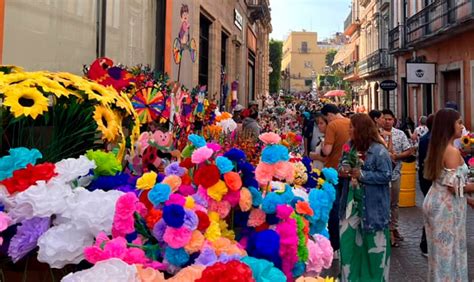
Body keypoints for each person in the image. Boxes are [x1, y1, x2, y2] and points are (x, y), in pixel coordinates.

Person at [338, 113, 392, 282]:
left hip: (372, 208)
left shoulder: (379, 151)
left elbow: (386, 175)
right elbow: (342, 163)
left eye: (352, 127)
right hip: (350, 205)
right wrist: (343, 169)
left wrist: (362, 174)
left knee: (374, 248)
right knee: (348, 245)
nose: (349, 130)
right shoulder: (349, 146)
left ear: (361, 129)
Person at [423, 108, 474, 281]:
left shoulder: (440, 146)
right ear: (448, 125)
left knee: (439, 254)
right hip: (446, 207)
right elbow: (455, 185)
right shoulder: (451, 150)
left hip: (438, 200)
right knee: (448, 253)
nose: (463, 126)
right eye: (459, 122)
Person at [321, 104, 351, 257]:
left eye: (326, 118)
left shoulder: (332, 125)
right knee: (346, 207)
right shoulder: (350, 122)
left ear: (329, 115)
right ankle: (347, 242)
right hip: (347, 171)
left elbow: (327, 151)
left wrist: (321, 146)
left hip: (333, 170)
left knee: (333, 208)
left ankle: (335, 246)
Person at [380, 109, 413, 247]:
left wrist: (397, 156)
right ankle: (385, 231)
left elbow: (408, 150)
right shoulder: (377, 134)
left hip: (395, 175)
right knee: (383, 205)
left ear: (394, 120)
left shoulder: (400, 134)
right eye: (385, 119)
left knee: (394, 204)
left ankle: (393, 228)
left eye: (390, 119)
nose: (387, 122)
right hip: (380, 178)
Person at [417, 114, 434, 257]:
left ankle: (426, 243)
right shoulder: (430, 140)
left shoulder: (425, 139)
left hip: (425, 179)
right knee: (432, 212)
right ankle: (426, 244)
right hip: (429, 180)